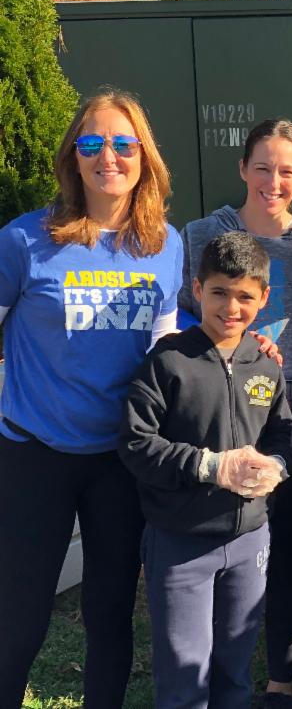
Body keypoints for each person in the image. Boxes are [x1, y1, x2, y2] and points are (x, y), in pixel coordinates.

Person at [0, 90, 183, 708]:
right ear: (72, 158)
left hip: (120, 458)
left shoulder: (165, 244)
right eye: (92, 143)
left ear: (144, 156)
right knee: (19, 617)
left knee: (109, 614)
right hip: (34, 453)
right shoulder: (24, 240)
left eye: (123, 143)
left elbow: (164, 354)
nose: (109, 156)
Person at [177, 119, 292, 707]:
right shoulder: (202, 235)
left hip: (288, 433)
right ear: (242, 169)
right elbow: (176, 319)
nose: (273, 181)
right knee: (209, 560)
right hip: (213, 431)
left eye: (286, 171)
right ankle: (203, 677)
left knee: (287, 560)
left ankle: (279, 683)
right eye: (262, 167)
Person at [120, 232, 292, 709]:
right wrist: (209, 466)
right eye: (219, 292)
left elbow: (282, 434)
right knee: (185, 674)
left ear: (264, 298)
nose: (231, 307)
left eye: (245, 296)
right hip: (180, 541)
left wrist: (276, 466)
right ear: (197, 289)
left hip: (249, 541)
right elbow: (136, 443)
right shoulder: (168, 361)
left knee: (235, 671)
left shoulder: (266, 365)